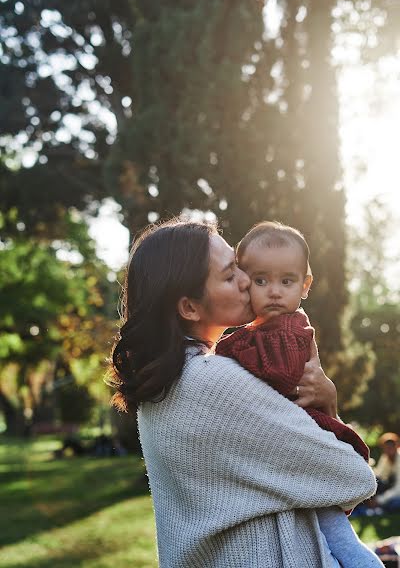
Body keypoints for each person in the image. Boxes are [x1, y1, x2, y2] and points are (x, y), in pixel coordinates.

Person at [106, 217, 377, 568]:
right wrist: (330, 406)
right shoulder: (212, 382)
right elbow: (353, 476)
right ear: (189, 307)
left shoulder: (168, 381)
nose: (247, 280)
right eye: (230, 273)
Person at [216, 221, 383, 568]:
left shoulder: (289, 328)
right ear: (245, 281)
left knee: (338, 536)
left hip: (310, 440)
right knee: (329, 534)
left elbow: (280, 373)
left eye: (286, 281)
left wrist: (225, 351)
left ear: (305, 285)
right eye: (261, 280)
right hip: (295, 448)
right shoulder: (261, 330)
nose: (274, 291)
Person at [373, 432, 400, 512]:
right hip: (393, 490)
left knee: (393, 505)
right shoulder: (385, 458)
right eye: (387, 446)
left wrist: (380, 500)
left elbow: (399, 488)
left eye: (392, 444)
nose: (389, 448)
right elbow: (379, 477)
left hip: (397, 491)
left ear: (397, 445)